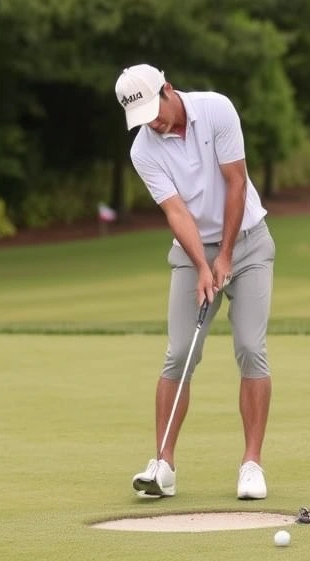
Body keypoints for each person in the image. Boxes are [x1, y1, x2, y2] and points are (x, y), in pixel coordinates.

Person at [115, 64, 275, 500]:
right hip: (192, 250)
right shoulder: (142, 151)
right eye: (143, 117)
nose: (154, 122)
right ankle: (163, 465)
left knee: (249, 348)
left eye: (155, 109)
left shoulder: (217, 109)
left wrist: (224, 256)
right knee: (180, 352)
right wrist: (203, 266)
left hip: (248, 242)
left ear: (168, 88)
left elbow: (236, 183)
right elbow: (177, 213)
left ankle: (251, 465)